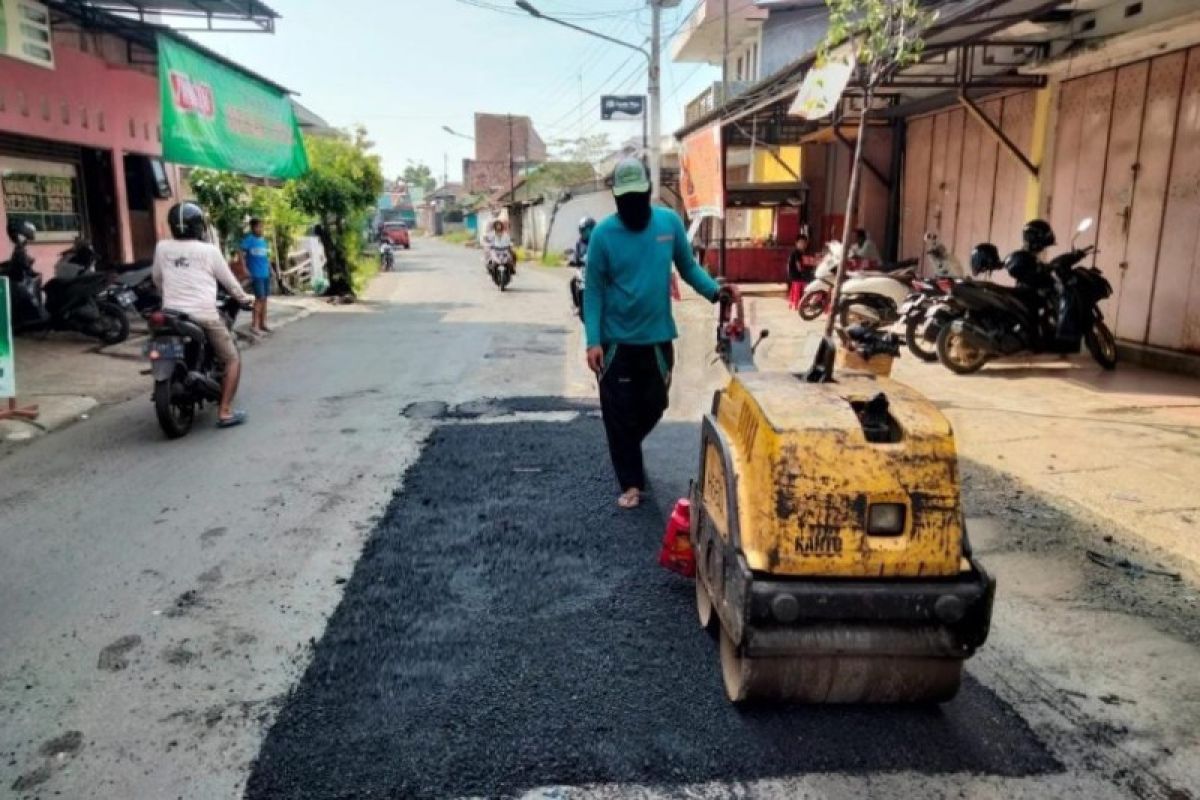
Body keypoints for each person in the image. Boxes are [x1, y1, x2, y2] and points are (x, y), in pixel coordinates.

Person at [584, 158, 740, 509]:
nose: (632, 204)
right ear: (615, 197)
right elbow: (592, 289)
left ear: (648, 193)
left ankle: (626, 446)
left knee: (655, 404)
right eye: (625, 198)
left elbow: (688, 268)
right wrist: (592, 340)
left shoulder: (668, 224)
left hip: (656, 341)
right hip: (615, 344)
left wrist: (715, 291)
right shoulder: (603, 235)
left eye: (638, 196)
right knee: (617, 412)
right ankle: (630, 482)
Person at [153, 202, 254, 428]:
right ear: (199, 226)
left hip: (171, 314)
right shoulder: (209, 251)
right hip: (204, 315)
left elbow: (157, 278)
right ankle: (225, 412)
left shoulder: (162, 248)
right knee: (231, 359)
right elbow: (230, 283)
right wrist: (244, 299)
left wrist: (166, 296)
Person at [240, 218, 272, 334]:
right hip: (256, 274)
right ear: (253, 228)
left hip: (265, 274)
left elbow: (266, 257)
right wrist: (244, 268)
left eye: (262, 227)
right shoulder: (249, 240)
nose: (261, 229)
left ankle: (263, 324)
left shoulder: (264, 241)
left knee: (265, 299)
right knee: (259, 299)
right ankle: (255, 325)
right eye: (259, 227)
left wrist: (271, 269)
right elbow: (241, 253)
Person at [786, 233, 814, 310]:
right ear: (796, 243)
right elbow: (799, 266)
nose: (803, 245)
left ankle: (794, 303)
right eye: (801, 243)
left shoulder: (799, 252)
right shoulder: (797, 253)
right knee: (808, 283)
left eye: (804, 243)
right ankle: (799, 303)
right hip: (796, 275)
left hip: (793, 275)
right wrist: (805, 273)